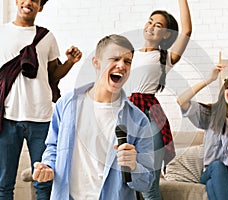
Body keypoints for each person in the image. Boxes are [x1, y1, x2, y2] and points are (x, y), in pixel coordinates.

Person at [32, 34, 155, 200]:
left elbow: (146, 183)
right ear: (96, 63)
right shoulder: (67, 104)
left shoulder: (138, 120)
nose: (122, 66)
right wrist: (47, 166)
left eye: (127, 61)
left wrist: (133, 167)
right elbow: (53, 146)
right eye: (115, 58)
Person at [0, 0, 82, 199]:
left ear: (40, 7)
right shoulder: (2, 33)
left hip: (42, 119)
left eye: (35, 0)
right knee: (3, 184)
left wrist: (70, 62)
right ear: (18, 2)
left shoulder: (46, 37)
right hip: (8, 117)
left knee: (44, 183)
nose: (29, 2)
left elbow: (53, 75)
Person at [125, 0, 192, 199]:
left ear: (166, 34)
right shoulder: (128, 55)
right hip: (126, 114)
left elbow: (187, 31)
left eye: (159, 25)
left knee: (148, 187)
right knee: (124, 183)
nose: (151, 26)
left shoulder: (165, 58)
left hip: (150, 116)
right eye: (150, 21)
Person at [177, 65, 228, 200]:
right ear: (223, 91)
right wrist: (209, 79)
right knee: (217, 167)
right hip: (211, 171)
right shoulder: (210, 114)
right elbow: (182, 100)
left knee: (214, 184)